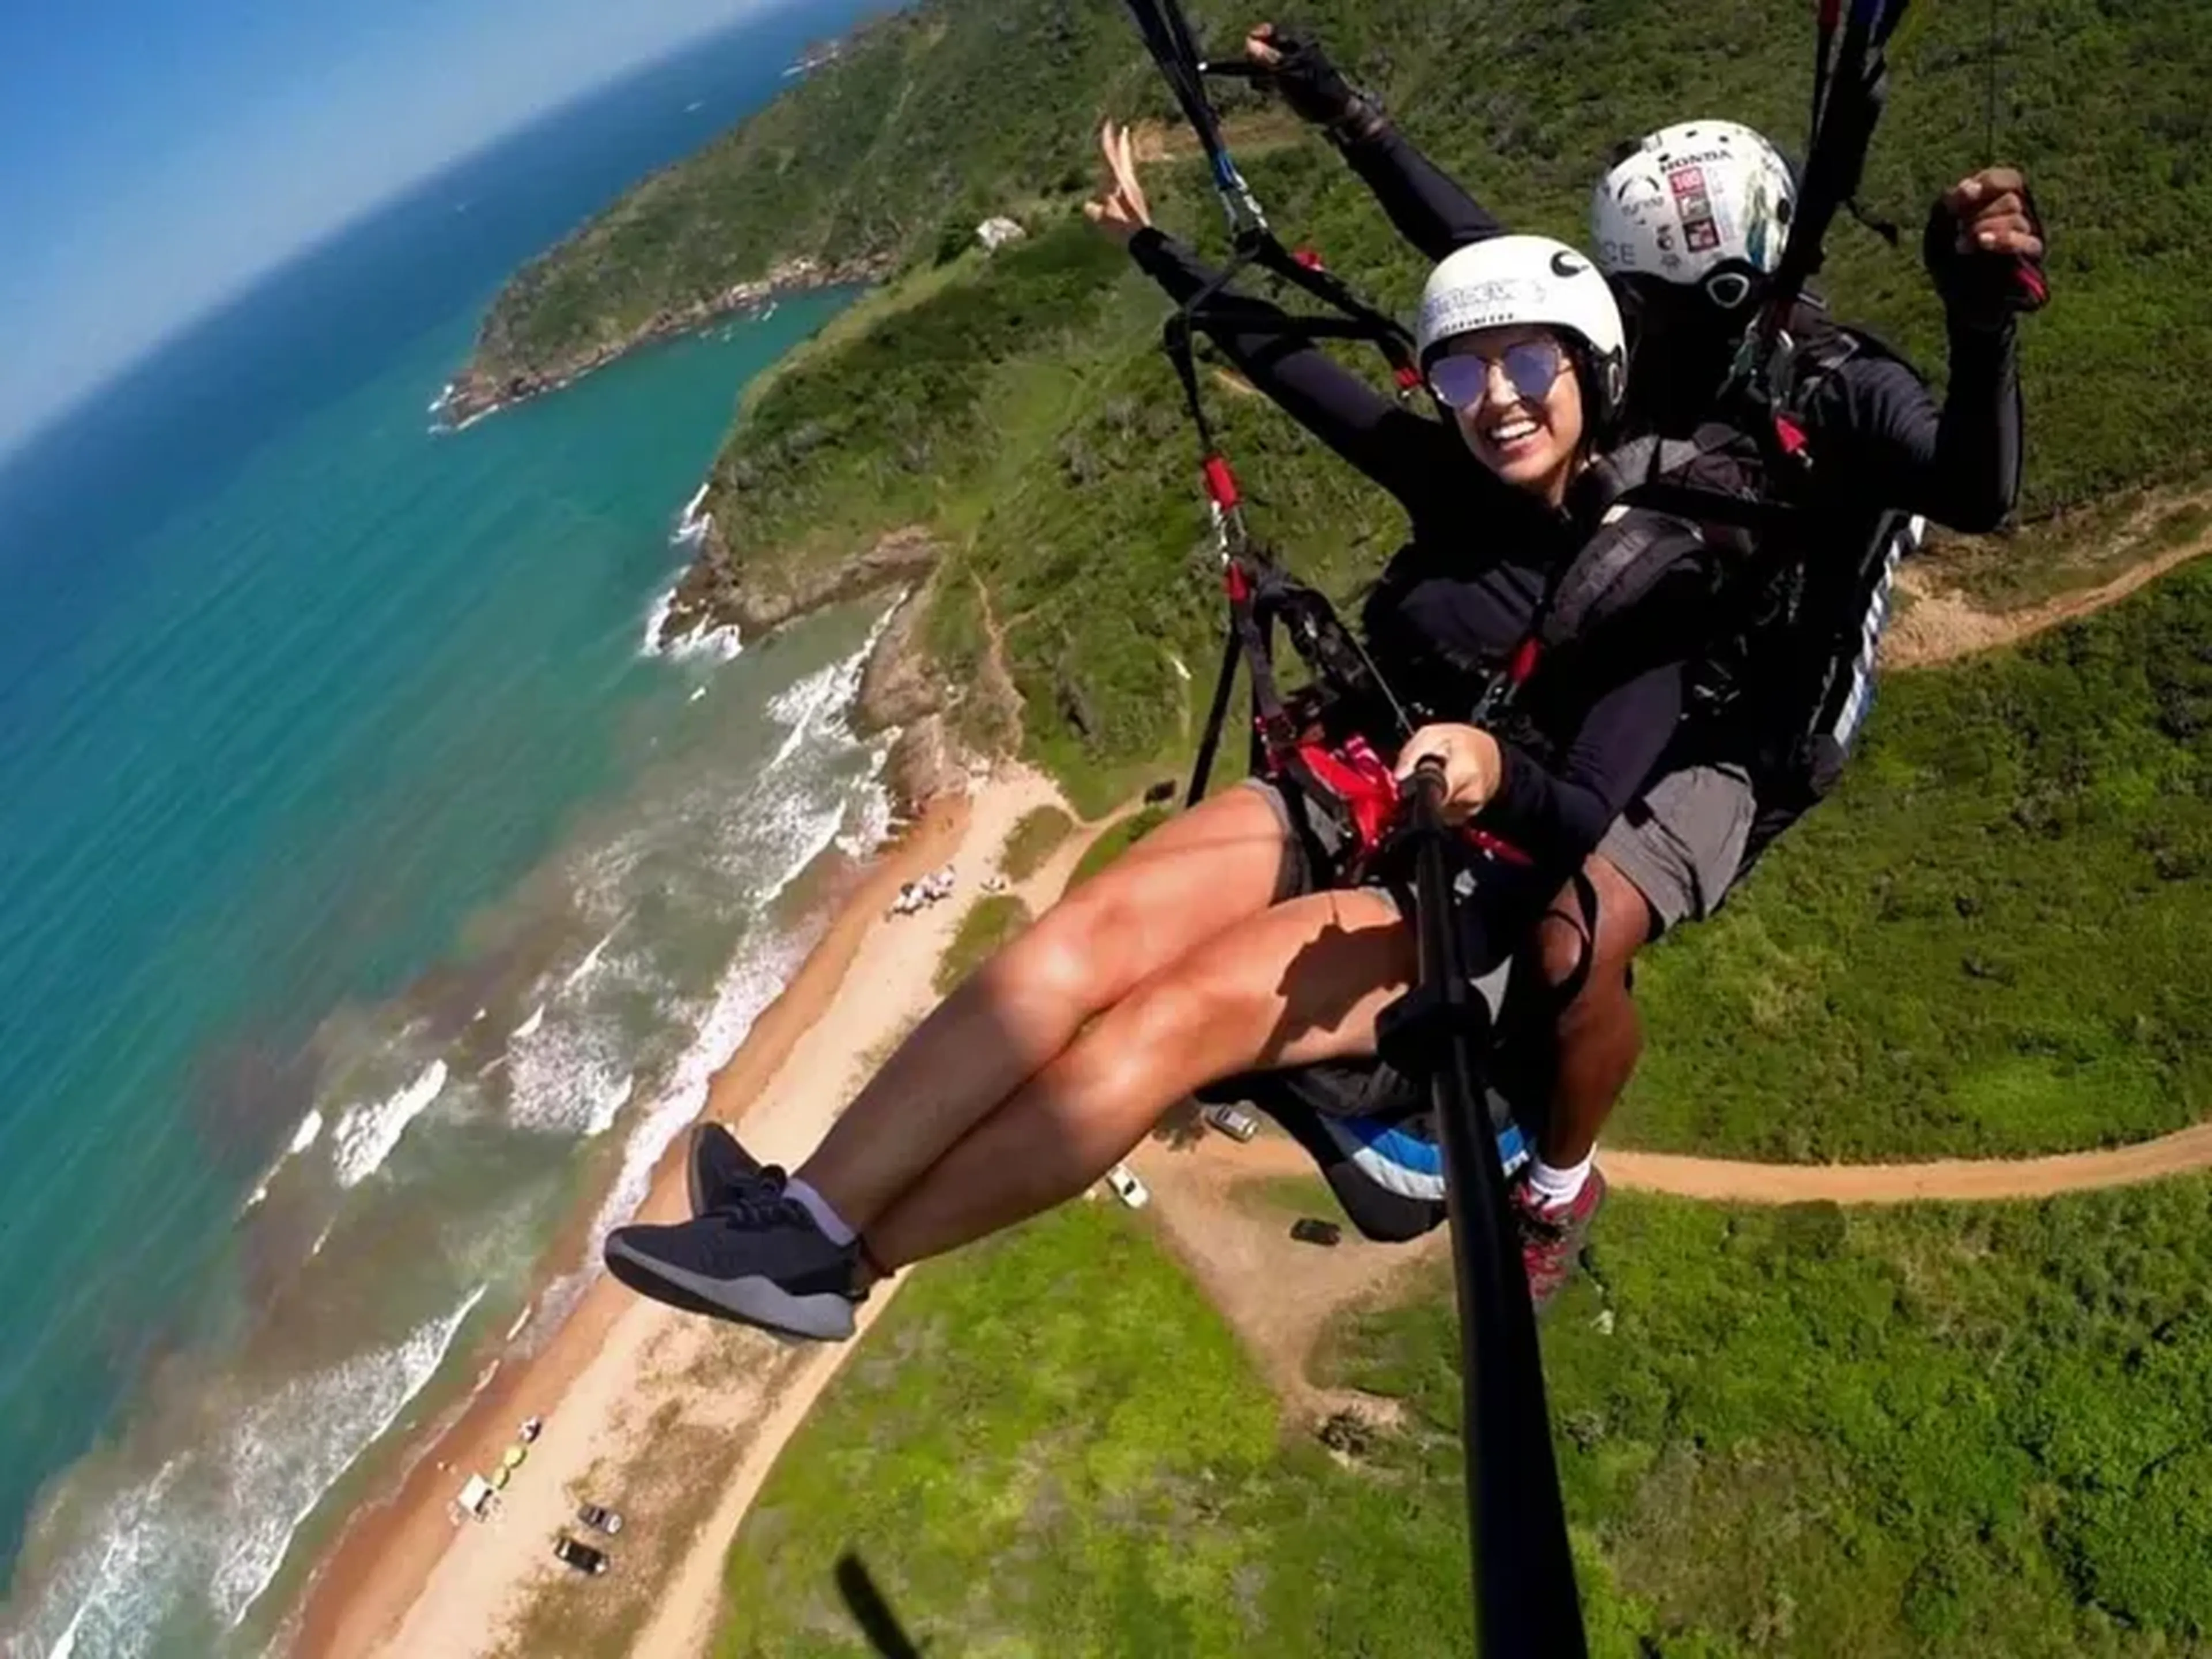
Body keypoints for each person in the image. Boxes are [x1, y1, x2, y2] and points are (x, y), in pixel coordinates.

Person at [603, 123, 1722, 1337]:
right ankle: (805, 1220)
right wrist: (1153, 248)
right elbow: (1290, 366)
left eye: (1525, 367)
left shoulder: (1648, 576)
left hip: (1464, 891)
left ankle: (853, 1266)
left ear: (1589, 369)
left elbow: (1582, 821)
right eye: (1463, 373)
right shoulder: (1447, 481)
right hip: (1338, 795)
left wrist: (1492, 769)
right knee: (1072, 946)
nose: (1494, 400)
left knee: (1171, 1016)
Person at [1240, 25, 2043, 1271]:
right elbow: (1482, 254)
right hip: (1650, 648)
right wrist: (1347, 114)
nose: (1620, 329)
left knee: (1572, 931)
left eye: (1640, 309)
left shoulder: (1837, 382)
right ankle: (1395, 1068)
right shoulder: (1666, 333)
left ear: (1718, 296)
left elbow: (1978, 493)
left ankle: (1554, 1186)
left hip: (1759, 728)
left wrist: (1980, 328)